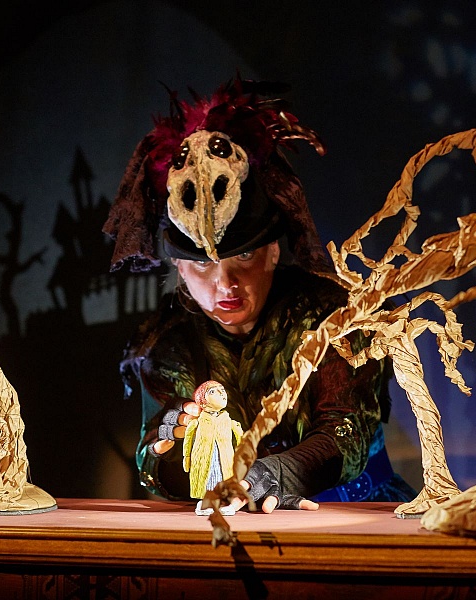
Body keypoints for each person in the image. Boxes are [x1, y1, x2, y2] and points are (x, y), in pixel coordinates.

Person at [103, 75, 417, 513]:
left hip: (356, 516)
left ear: (273, 252)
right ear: (180, 268)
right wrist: (172, 446)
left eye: (245, 255)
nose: (225, 283)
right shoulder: (168, 343)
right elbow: (154, 463)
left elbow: (345, 430)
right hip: (237, 520)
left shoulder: (333, 319)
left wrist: (277, 474)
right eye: (203, 265)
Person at [183, 380, 243, 515]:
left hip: (225, 458)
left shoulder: (229, 421)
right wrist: (186, 457)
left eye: (222, 389)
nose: (221, 393)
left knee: (224, 477)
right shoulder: (196, 423)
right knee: (206, 478)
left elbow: (241, 438)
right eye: (212, 391)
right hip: (203, 458)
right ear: (202, 402)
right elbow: (188, 439)